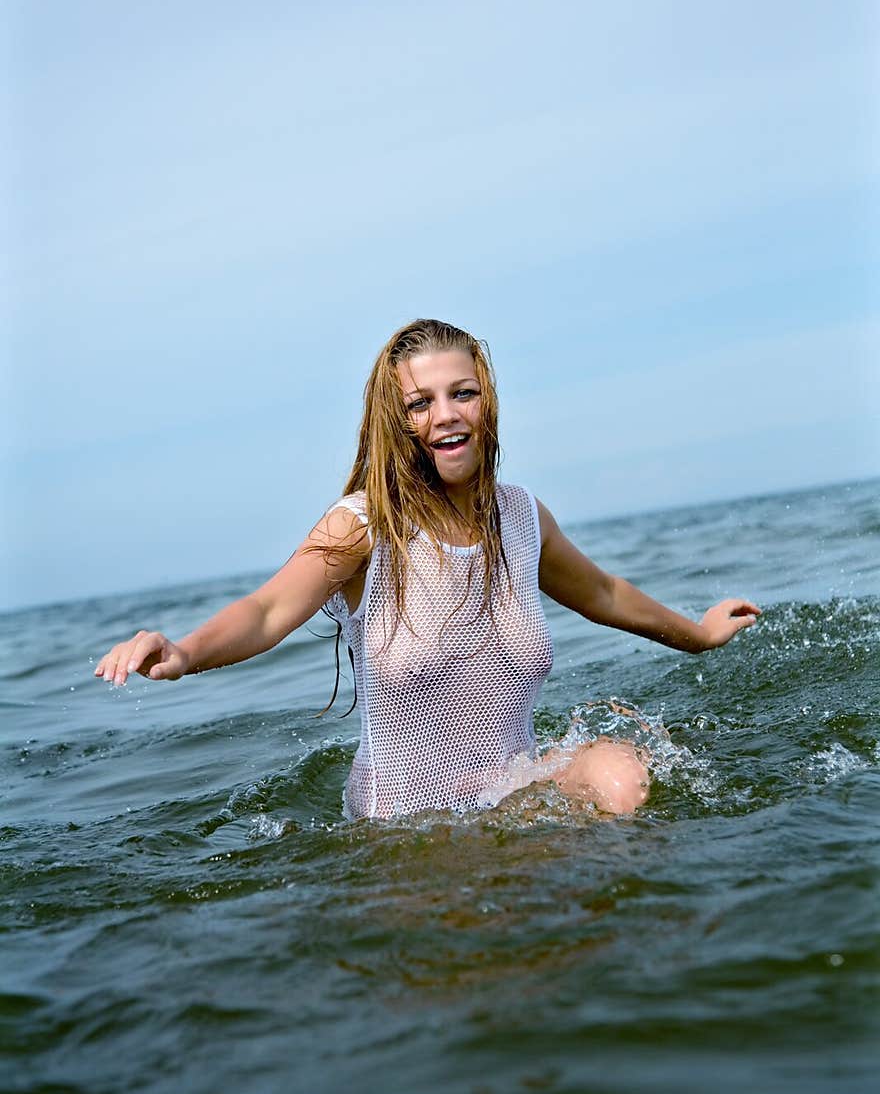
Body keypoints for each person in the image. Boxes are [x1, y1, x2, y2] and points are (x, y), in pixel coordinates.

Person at [95, 319, 760, 820]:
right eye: (420, 403)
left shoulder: (522, 518)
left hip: (514, 794)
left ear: (487, 403)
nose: (445, 414)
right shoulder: (363, 527)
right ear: (399, 422)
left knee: (619, 773)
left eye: (462, 393)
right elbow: (267, 611)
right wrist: (182, 652)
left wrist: (697, 635)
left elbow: (604, 592)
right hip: (405, 828)